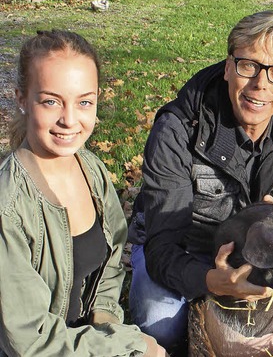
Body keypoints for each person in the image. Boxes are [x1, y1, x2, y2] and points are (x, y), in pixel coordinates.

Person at [127, 10, 273, 355]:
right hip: (183, 244)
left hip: (257, 247)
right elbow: (162, 248)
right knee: (161, 320)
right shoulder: (179, 130)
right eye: (248, 65)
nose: (260, 84)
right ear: (228, 66)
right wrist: (211, 280)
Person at [0, 30, 166, 356]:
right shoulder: (9, 208)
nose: (69, 120)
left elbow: (111, 266)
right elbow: (29, 341)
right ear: (21, 98)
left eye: (84, 102)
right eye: (51, 101)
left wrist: (107, 329)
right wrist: (129, 344)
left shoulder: (91, 170)